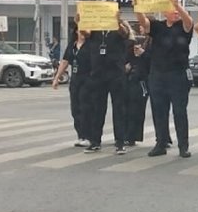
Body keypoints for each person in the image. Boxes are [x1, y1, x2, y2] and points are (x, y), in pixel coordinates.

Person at [137, 0, 195, 158]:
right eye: (172, 9)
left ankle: (183, 146)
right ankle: (161, 143)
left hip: (178, 74)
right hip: (158, 74)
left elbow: (189, 22)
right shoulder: (158, 26)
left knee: (179, 111)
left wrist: (178, 6)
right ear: (164, 12)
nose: (176, 12)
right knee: (159, 110)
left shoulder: (183, 27)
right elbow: (144, 24)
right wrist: (138, 8)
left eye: (178, 9)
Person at [85, 19, 134, 154]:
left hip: (116, 73)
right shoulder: (95, 29)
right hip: (98, 72)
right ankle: (95, 141)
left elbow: (125, 33)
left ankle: (120, 142)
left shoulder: (118, 28)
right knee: (97, 108)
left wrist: (116, 20)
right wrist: (81, 21)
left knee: (119, 108)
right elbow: (85, 33)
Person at [52, 25, 92, 147]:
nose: (82, 33)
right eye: (80, 30)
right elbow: (65, 61)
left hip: (88, 79)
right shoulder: (72, 45)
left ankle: (89, 135)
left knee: (86, 107)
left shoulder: (91, 45)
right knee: (75, 108)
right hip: (75, 79)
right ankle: (80, 135)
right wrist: (57, 77)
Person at [122, 32, 151, 146]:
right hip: (128, 80)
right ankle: (124, 135)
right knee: (125, 109)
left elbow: (150, 63)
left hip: (141, 82)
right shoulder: (129, 52)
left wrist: (143, 54)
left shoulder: (148, 47)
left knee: (136, 110)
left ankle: (132, 136)